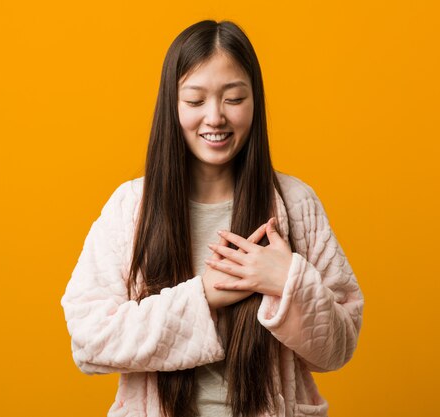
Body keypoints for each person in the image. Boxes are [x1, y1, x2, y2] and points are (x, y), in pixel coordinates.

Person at [60, 19, 364, 417]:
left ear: (255, 101)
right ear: (173, 104)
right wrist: (203, 297)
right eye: (195, 100)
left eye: (234, 99)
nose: (215, 117)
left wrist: (287, 280)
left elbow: (337, 348)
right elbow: (89, 340)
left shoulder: (295, 202)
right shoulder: (130, 207)